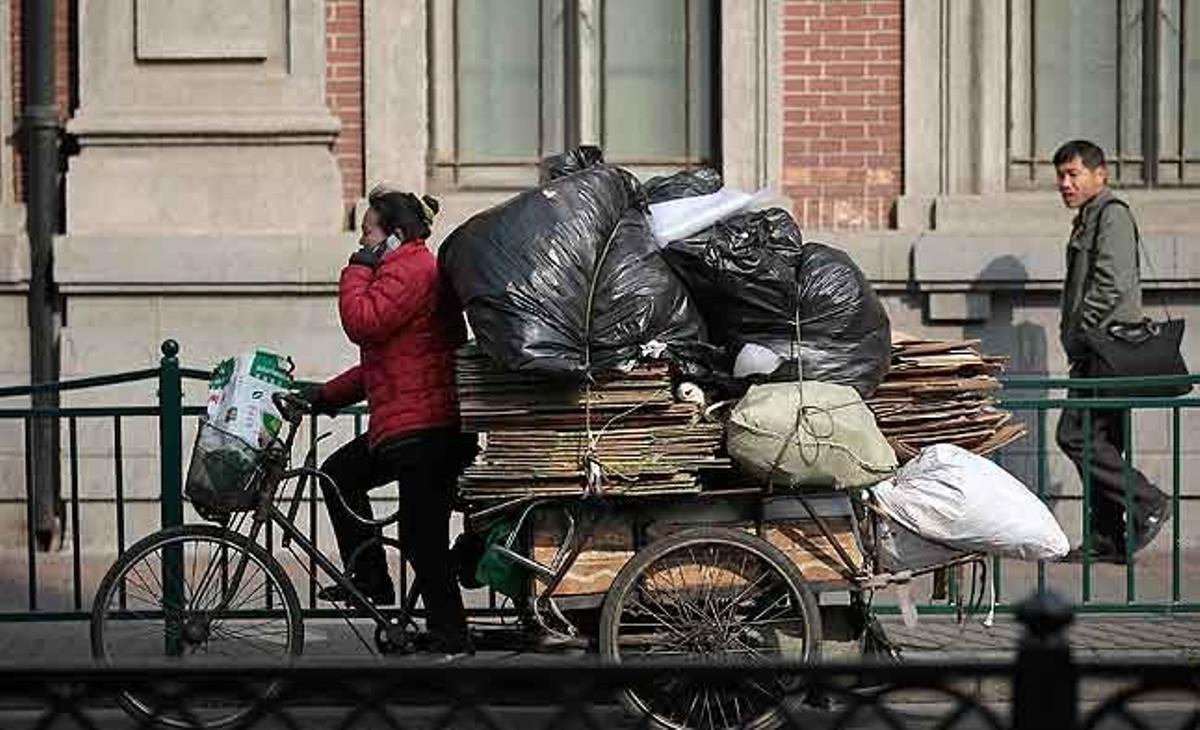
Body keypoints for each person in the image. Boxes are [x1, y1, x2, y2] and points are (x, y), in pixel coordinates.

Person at [305, 186, 472, 654]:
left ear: (395, 235)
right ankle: (372, 579)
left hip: (427, 429)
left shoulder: (412, 269)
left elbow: (363, 321)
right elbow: (382, 363)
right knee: (339, 474)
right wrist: (323, 395)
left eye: (368, 232)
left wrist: (358, 267)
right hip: (410, 425)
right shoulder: (407, 269)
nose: (362, 243)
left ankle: (451, 636)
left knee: (422, 538)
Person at [1053, 139, 1170, 563]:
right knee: (1102, 439)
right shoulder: (1089, 217)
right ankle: (1107, 537)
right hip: (1097, 348)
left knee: (1076, 435)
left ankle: (1147, 502)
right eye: (1060, 177)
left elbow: (1112, 284)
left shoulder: (1112, 214)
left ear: (1100, 174)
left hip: (1106, 347)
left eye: (1073, 174)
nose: (1065, 184)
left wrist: (1082, 331)